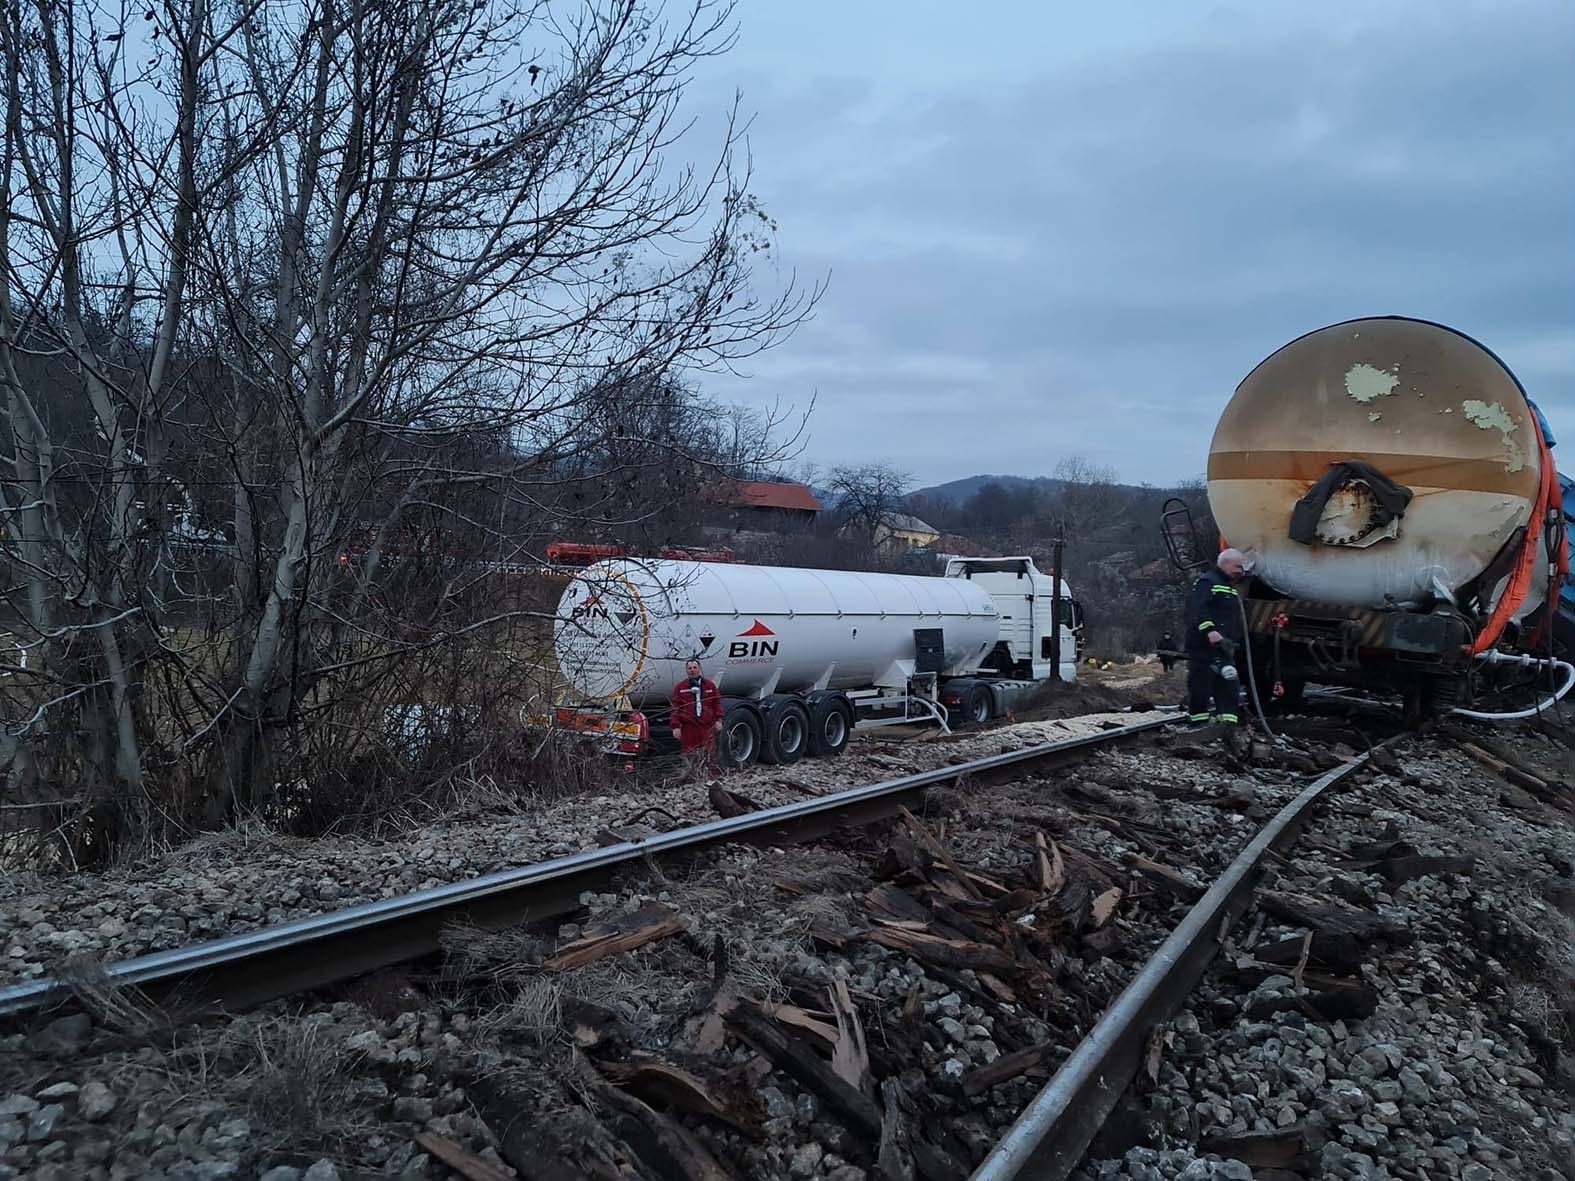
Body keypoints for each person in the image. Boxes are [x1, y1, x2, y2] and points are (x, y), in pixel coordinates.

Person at [1184, 548, 1249, 725]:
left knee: (1228, 684)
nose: (1241, 571)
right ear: (1225, 563)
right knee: (1202, 683)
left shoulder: (1229, 587)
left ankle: (1227, 721)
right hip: (1204, 645)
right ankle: (1199, 721)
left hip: (1224, 645)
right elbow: (1198, 610)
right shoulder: (1207, 582)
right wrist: (1210, 631)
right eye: (1238, 567)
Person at [670, 658, 723, 775]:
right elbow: (675, 708)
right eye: (689, 668)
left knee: (709, 753)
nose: (692, 670)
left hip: (706, 726)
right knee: (689, 754)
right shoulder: (681, 687)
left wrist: (718, 720)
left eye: (694, 668)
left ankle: (710, 778)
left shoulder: (709, 686)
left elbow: (717, 703)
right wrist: (675, 727)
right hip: (689, 728)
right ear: (686, 670)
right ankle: (692, 777)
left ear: (699, 669)